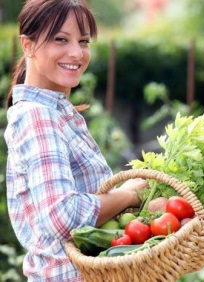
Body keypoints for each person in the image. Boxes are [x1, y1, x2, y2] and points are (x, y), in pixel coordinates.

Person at [4, 0, 147, 280]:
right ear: (27, 45)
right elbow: (63, 216)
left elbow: (85, 201)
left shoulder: (57, 112)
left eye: (83, 41)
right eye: (60, 39)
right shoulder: (38, 117)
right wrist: (129, 194)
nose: (76, 52)